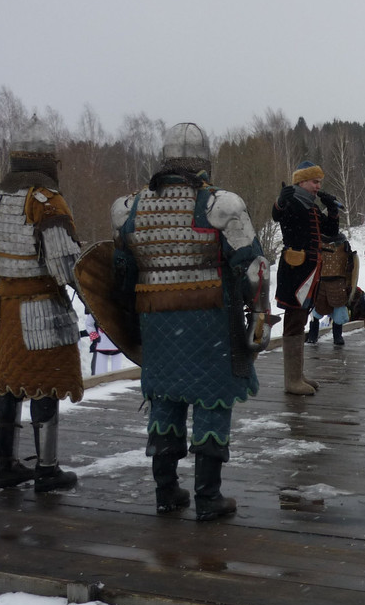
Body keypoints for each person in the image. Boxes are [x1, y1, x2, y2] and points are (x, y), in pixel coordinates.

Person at [113, 122, 268, 520]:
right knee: (211, 401)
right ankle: (207, 496)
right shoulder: (221, 205)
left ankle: (166, 491)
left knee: (165, 399)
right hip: (209, 324)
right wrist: (260, 315)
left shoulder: (131, 207)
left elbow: (122, 274)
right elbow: (253, 268)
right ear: (203, 161)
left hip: (157, 325)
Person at [0, 116, 83, 492]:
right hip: (42, 309)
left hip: (8, 312)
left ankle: (6, 466)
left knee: (8, 384)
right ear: (46, 162)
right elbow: (64, 265)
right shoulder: (46, 201)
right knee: (45, 383)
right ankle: (47, 469)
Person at [273, 160, 340, 394]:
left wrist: (331, 209)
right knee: (293, 320)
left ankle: (298, 375)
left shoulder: (311, 207)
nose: (318, 186)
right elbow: (277, 215)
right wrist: (280, 201)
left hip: (309, 270)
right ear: (301, 182)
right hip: (295, 271)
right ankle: (291, 381)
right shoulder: (292, 202)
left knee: (300, 319)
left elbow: (330, 232)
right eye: (314, 181)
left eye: (319, 181)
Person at [305, 233, 355, 347]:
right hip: (321, 281)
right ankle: (313, 335)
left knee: (338, 312)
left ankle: (337, 336)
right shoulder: (318, 242)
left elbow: (350, 266)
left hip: (339, 283)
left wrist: (348, 284)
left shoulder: (344, 245)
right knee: (316, 311)